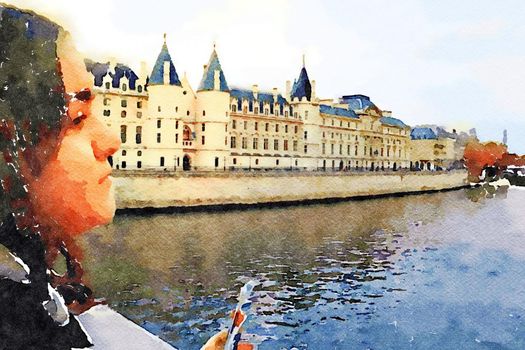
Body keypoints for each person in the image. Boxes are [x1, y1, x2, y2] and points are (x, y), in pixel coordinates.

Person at [0, 5, 235, 349]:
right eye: (79, 116)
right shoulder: (16, 317)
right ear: (11, 138)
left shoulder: (28, 291)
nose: (113, 141)